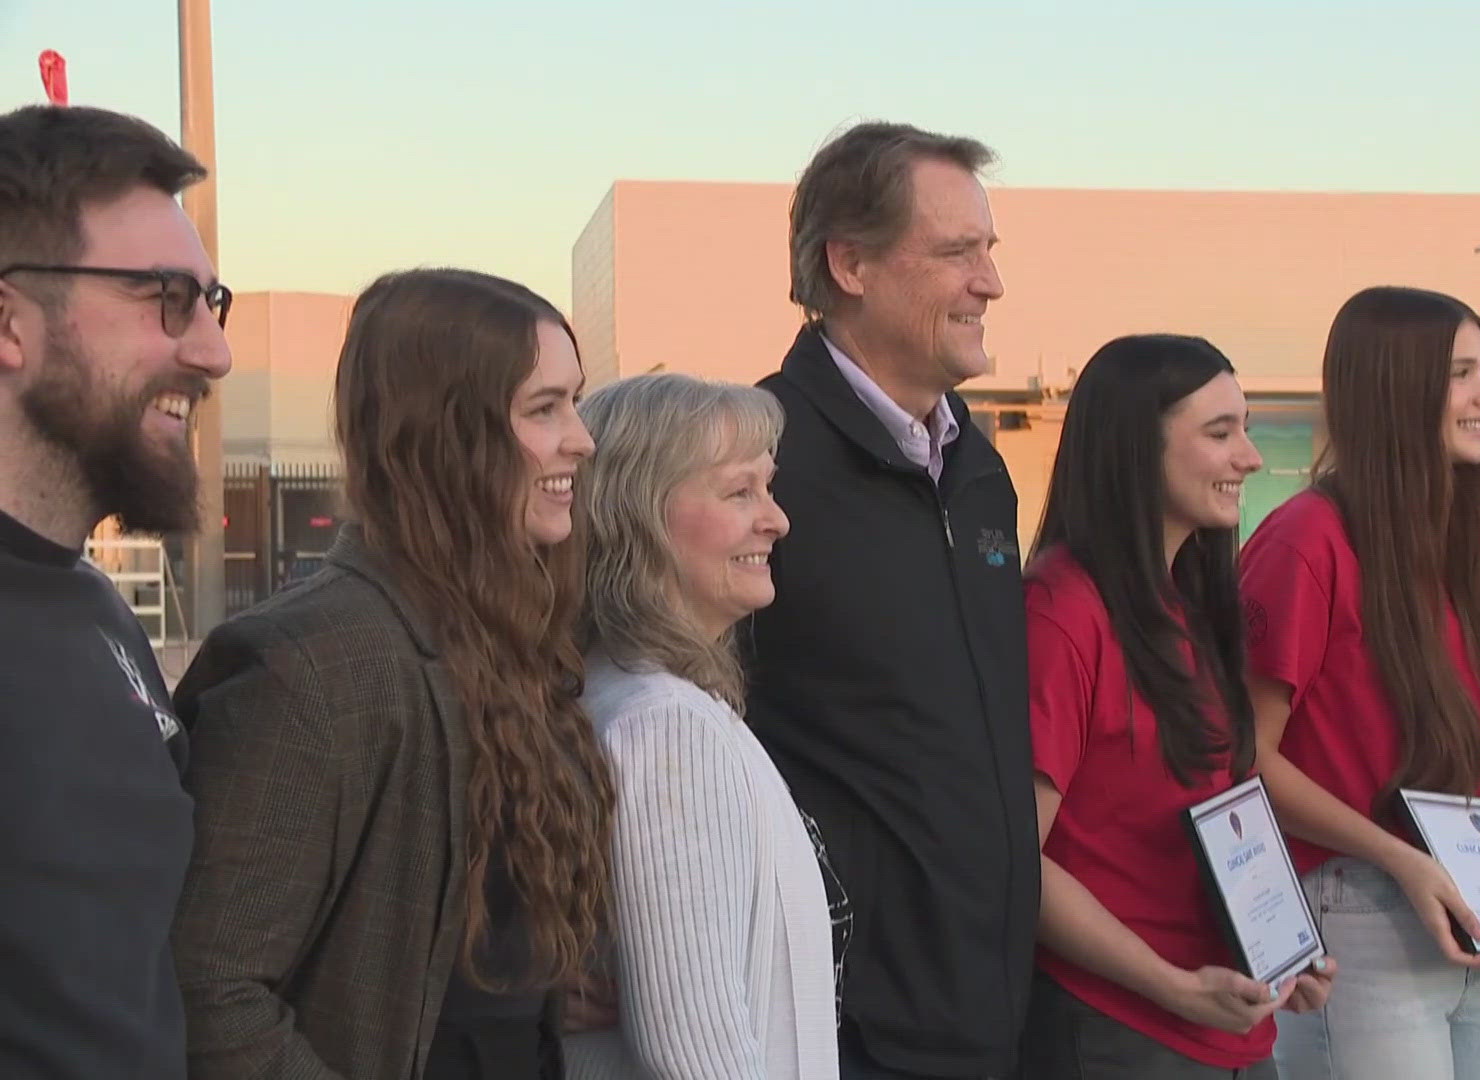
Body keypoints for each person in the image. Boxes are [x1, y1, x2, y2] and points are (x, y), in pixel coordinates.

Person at [170, 268, 614, 1079]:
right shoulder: (306, 667)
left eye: (574, 402)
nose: (581, 438)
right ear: (446, 433)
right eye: (544, 408)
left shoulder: (514, 641)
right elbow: (213, 992)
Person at [1237, 286, 1480, 1080]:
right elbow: (1246, 756)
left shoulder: (1469, 546)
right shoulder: (1307, 540)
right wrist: (1406, 863)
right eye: (1462, 373)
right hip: (1361, 910)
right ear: (1392, 385)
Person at [747, 120, 1037, 1080]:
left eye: (990, 251)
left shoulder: (981, 471)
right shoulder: (753, 467)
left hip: (994, 1017)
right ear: (851, 264)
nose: (990, 282)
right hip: (844, 1033)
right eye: (959, 252)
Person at [1018, 334, 1335, 1080]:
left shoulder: (1190, 604)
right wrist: (1174, 988)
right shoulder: (1061, 610)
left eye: (1247, 428)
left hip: (1231, 1029)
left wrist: (1283, 948)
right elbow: (1017, 862)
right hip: (1121, 1032)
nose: (1251, 458)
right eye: (1219, 432)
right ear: (1136, 448)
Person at [0, 103, 232, 1080]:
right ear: (10, 322)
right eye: (165, 298)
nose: (213, 352)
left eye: (214, 303)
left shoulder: (96, 611)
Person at [563, 372, 846, 1080]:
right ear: (639, 518)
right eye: (738, 491)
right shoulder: (666, 729)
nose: (776, 519)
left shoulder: (655, 702)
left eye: (769, 487)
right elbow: (695, 1053)